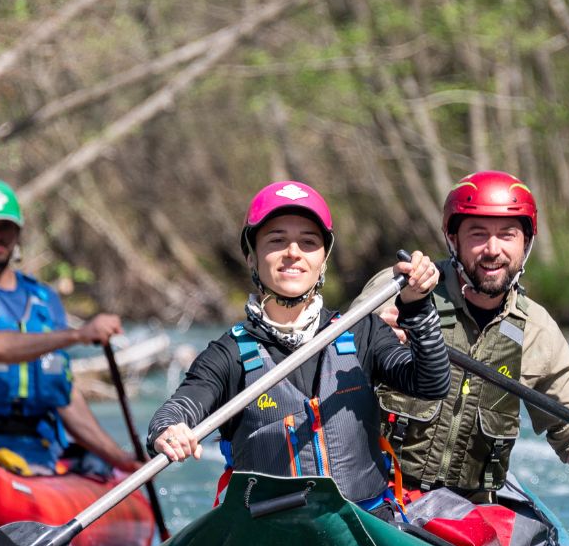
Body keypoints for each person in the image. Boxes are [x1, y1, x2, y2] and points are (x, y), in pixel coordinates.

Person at [147, 179, 447, 512]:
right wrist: (170, 428)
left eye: (308, 242)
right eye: (277, 241)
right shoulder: (228, 354)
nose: (293, 253)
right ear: (251, 256)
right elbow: (181, 406)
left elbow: (430, 384)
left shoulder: (361, 332)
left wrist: (418, 305)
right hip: (270, 531)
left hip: (365, 522)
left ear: (323, 259)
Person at [377, 170, 569, 502]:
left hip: (467, 510)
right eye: (478, 234)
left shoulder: (537, 331)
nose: (493, 250)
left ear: (526, 243)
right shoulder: (400, 289)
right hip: (379, 493)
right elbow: (330, 370)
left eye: (507, 235)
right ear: (453, 239)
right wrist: (375, 334)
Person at [0, 179, 138, 476]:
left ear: (17, 233)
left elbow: (63, 394)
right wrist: (77, 335)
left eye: (5, 227)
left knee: (101, 465)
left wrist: (120, 458)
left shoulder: (44, 299)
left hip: (42, 447)